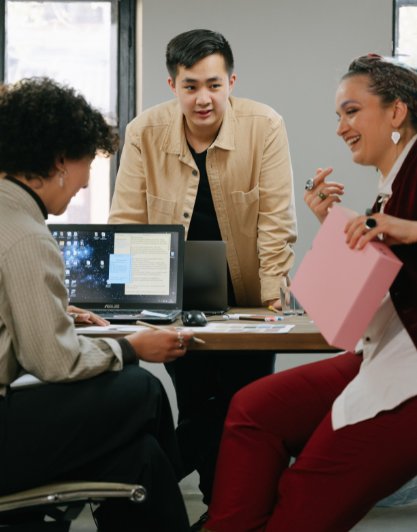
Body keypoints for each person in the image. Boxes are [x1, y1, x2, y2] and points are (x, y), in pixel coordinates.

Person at [202, 54, 417, 532]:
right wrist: (335, 225)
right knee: (252, 410)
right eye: (338, 116)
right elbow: (379, 306)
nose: (341, 127)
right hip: (401, 351)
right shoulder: (388, 191)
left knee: (308, 488)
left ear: (396, 112)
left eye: (351, 111)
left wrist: (416, 230)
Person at [0, 78, 195, 532]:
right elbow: (54, 361)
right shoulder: (26, 235)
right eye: (87, 163)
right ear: (60, 161)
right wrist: (132, 346)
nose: (86, 180)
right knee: (142, 388)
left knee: (138, 460)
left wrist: (52, 312)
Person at [108, 29, 297, 526]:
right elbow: (126, 220)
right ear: (172, 85)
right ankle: (226, 515)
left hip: (250, 293)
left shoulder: (265, 125)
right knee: (197, 401)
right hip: (175, 291)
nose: (203, 98)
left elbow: (277, 220)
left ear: (231, 81)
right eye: (190, 86)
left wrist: (274, 294)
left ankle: (199, 499)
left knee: (246, 404)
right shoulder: (144, 131)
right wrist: (125, 302)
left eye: (214, 84)